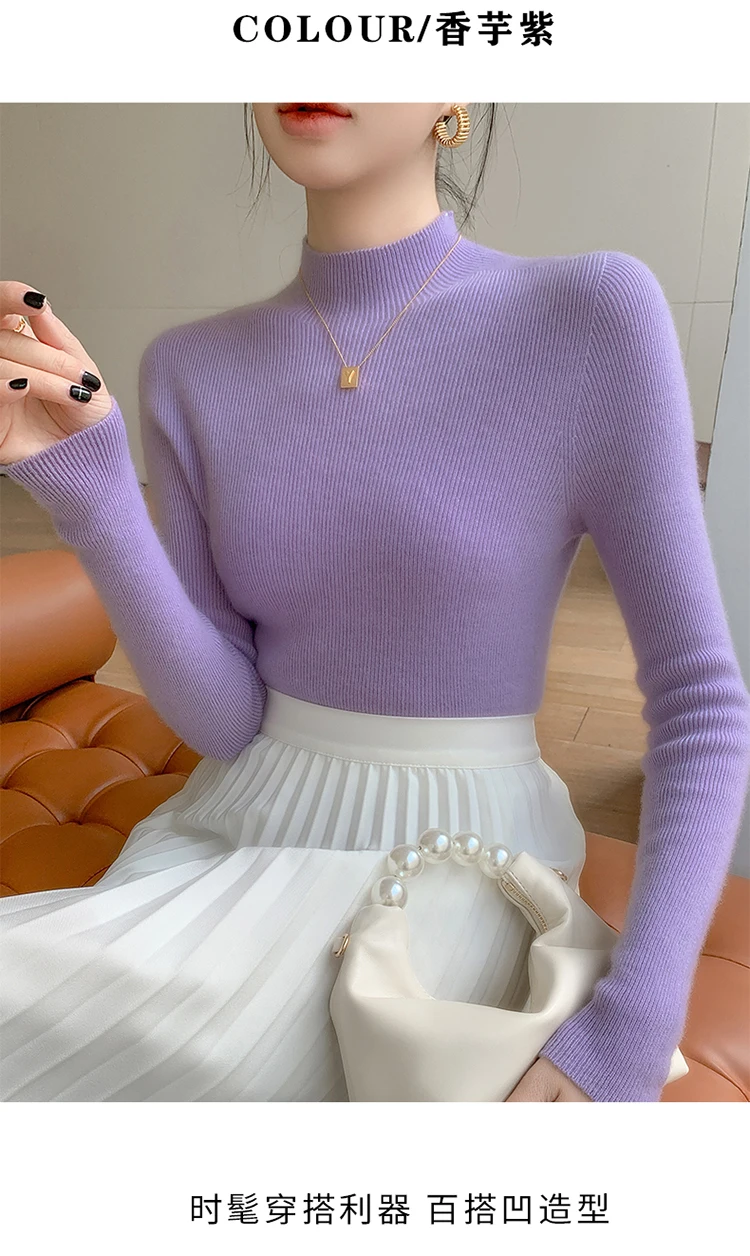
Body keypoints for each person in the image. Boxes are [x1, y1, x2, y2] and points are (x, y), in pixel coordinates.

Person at [1, 102, 749, 1104]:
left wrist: (630, 1027)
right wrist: (93, 493)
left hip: (462, 853)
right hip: (237, 820)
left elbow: (703, 704)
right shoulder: (188, 367)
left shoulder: (587, 314)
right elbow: (224, 721)